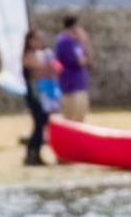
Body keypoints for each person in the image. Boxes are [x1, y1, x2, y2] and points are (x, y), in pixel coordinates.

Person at [21, 29, 57, 166]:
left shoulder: (40, 55)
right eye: (36, 39)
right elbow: (41, 70)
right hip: (34, 95)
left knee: (42, 124)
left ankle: (35, 153)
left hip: (42, 94)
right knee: (38, 124)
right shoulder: (28, 56)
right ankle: (31, 153)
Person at [54, 15, 90, 121]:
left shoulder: (76, 42)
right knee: (72, 118)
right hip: (71, 85)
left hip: (80, 84)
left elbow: (87, 59)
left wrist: (84, 42)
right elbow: (80, 61)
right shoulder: (65, 42)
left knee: (80, 117)